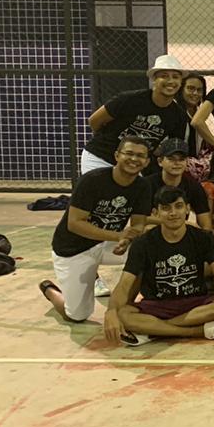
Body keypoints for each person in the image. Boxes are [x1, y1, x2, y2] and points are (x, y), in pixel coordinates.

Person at [39, 136, 153, 325]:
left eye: (140, 156)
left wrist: (127, 240)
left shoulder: (143, 186)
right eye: (129, 153)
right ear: (117, 155)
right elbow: (75, 224)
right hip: (74, 249)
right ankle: (50, 290)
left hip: (107, 244)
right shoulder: (92, 180)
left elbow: (138, 223)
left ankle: (127, 304)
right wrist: (118, 236)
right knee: (76, 315)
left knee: (150, 251)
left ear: (147, 161)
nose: (134, 159)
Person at [106, 186, 214, 346]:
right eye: (166, 208)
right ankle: (194, 331)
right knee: (123, 314)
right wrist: (111, 311)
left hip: (195, 302)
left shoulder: (203, 238)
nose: (173, 213)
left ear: (187, 209)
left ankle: (154, 331)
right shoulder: (142, 243)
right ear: (156, 213)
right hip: (157, 305)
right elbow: (124, 284)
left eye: (178, 206)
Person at [82, 54, 187, 174]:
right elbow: (94, 121)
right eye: (164, 76)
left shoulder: (178, 115)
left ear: (181, 82)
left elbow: (171, 146)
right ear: (154, 79)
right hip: (100, 158)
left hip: (133, 163)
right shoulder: (129, 99)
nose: (170, 81)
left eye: (175, 77)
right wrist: (106, 140)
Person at [142, 137, 212, 230]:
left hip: (180, 233)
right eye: (171, 159)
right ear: (160, 161)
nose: (177, 163)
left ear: (186, 162)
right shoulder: (146, 184)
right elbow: (138, 219)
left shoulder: (194, 186)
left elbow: (206, 225)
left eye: (181, 159)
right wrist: (180, 223)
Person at [177, 72, 209, 159]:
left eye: (199, 90)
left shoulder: (200, 112)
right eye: (190, 88)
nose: (195, 93)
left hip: (195, 160)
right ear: (181, 89)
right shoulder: (174, 110)